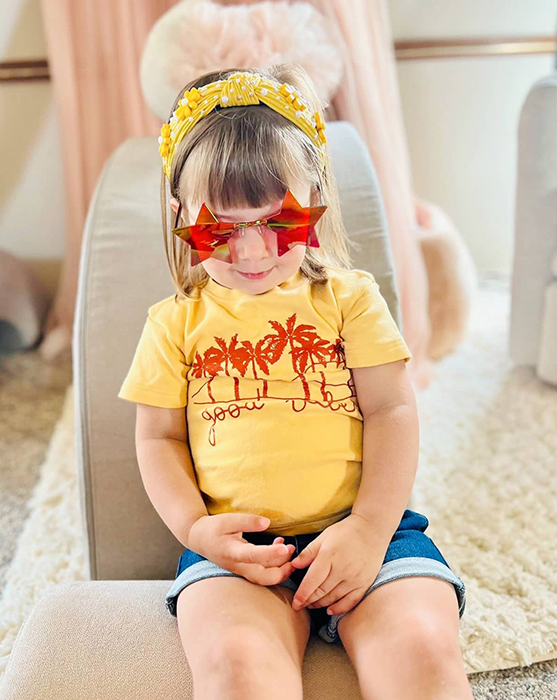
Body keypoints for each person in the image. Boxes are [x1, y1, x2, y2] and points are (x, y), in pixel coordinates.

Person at [118, 64, 472, 699]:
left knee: (422, 652)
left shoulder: (350, 299)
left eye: (278, 224)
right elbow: (158, 441)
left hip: (371, 529)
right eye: (218, 231)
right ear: (179, 217)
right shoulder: (173, 325)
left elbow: (392, 410)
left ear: (318, 205)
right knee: (234, 668)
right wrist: (197, 531)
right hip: (240, 553)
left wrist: (367, 529)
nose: (251, 253)